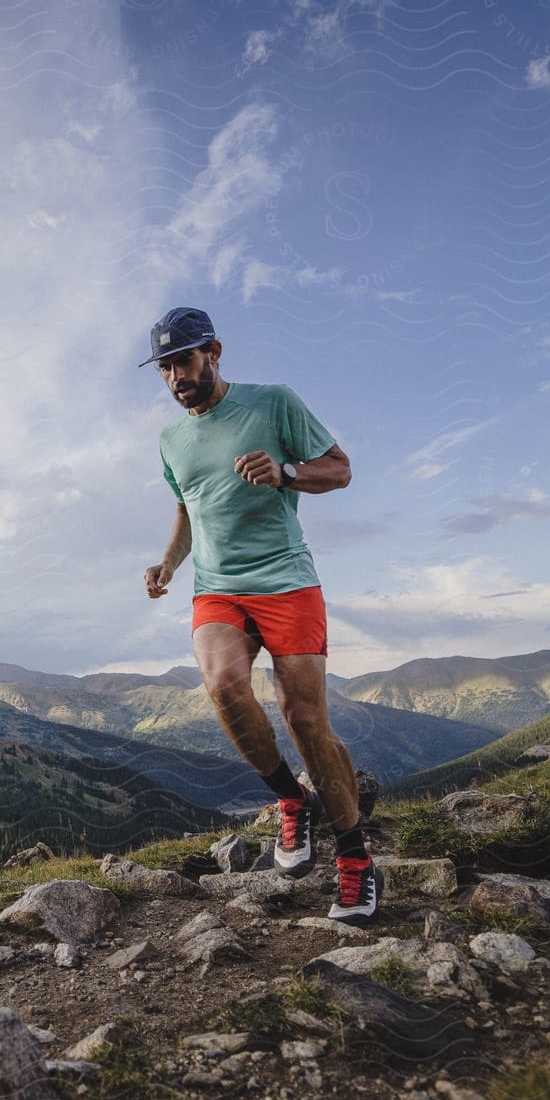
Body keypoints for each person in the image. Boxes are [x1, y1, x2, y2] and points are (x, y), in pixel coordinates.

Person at [140, 307, 378, 921]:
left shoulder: (273, 403)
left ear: (213, 352)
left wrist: (287, 473)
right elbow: (190, 509)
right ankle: (290, 800)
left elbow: (341, 469)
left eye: (184, 361)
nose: (175, 377)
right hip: (216, 588)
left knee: (305, 723)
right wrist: (168, 564)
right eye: (164, 367)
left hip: (287, 583)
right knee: (223, 687)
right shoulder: (171, 441)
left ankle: (355, 860)